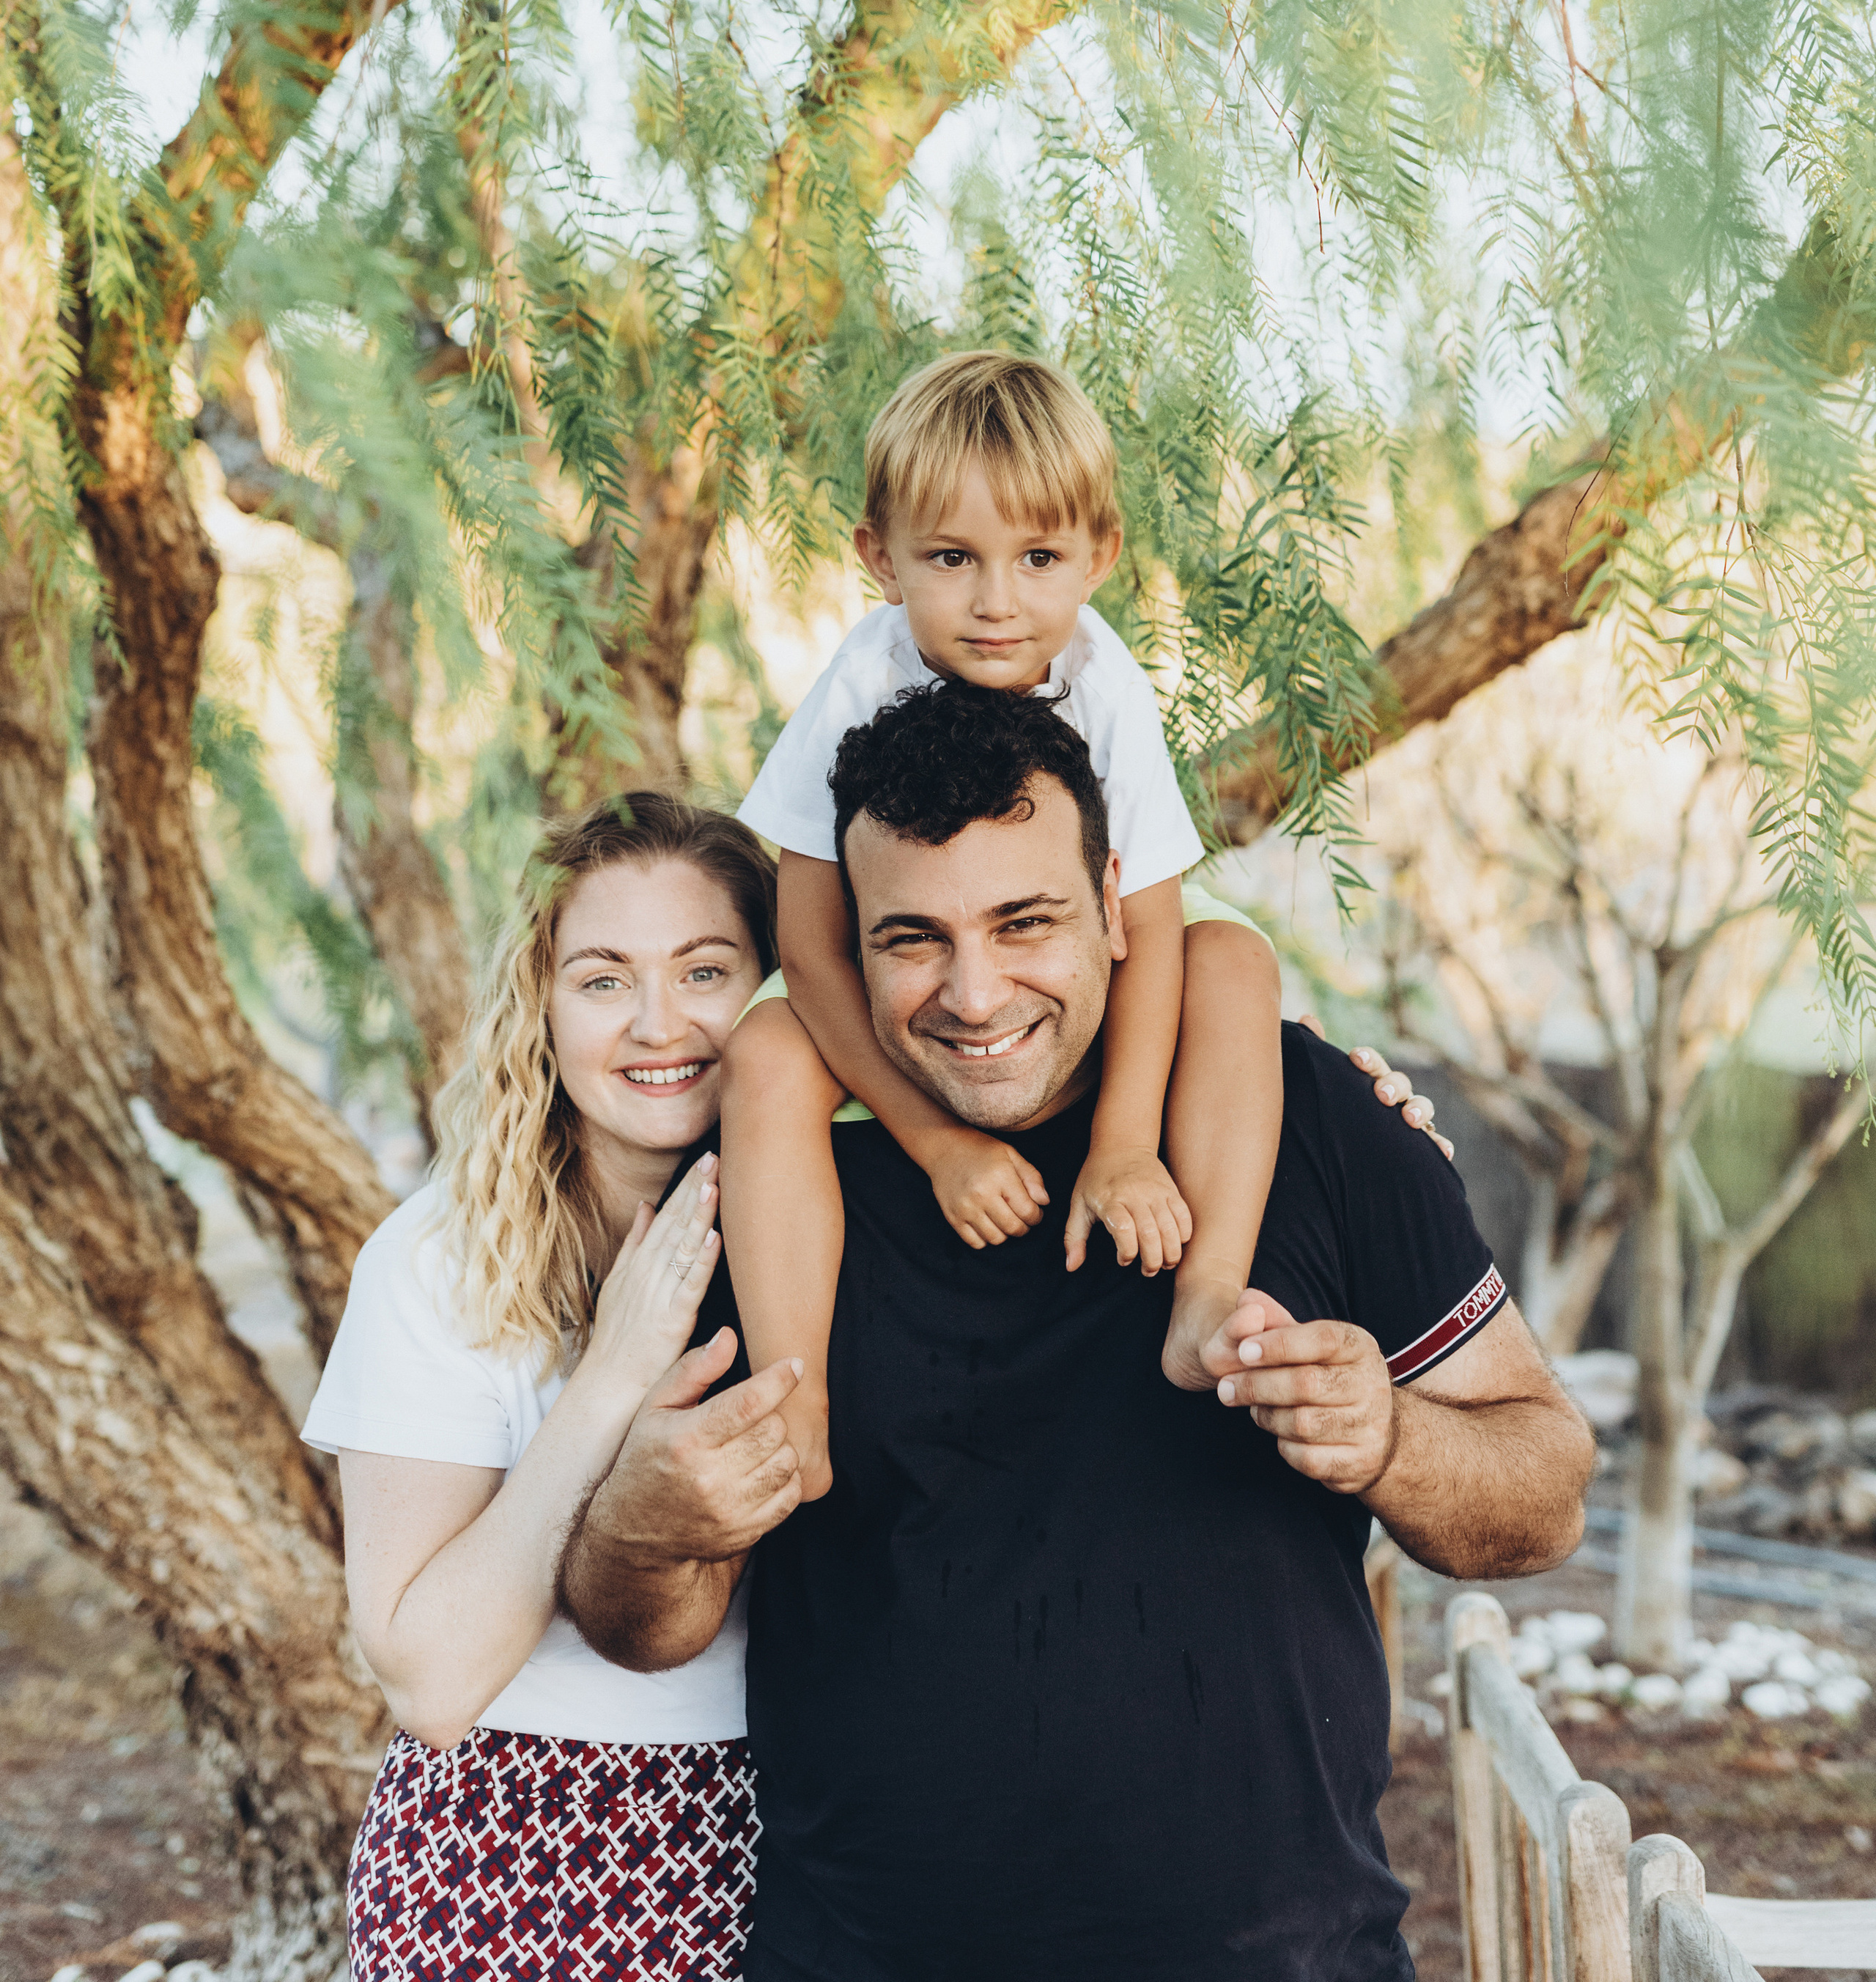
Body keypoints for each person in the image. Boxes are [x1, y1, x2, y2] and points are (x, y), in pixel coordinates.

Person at [562, 685, 1595, 1982]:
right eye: (913, 940)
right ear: (847, 947)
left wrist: (1388, 1437)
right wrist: (647, 1521)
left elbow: (1544, 1497)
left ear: (1117, 904)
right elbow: (642, 1622)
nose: (976, 990)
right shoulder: (766, 1189)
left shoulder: (1305, 1117)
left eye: (1026, 922)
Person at [725, 349, 1287, 1494]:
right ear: (878, 558)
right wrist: (937, 1145)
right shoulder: (858, 682)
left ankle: (1208, 1291)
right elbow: (808, 942)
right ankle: (794, 1402)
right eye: (951, 558)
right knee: (767, 1050)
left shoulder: (1101, 677)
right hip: (899, 957)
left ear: (1100, 557)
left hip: (1080, 925)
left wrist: (1126, 1143)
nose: (997, 601)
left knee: (1233, 964)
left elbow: (1151, 918)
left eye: (1039, 558)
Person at [300, 792, 783, 1982]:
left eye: (707, 970)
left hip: (794, 1823)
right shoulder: (438, 1262)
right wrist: (610, 1375)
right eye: (605, 980)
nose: (658, 1025)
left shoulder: (853, 1231)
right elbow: (431, 1676)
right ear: (544, 1008)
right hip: (508, 1844)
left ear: (778, 992)